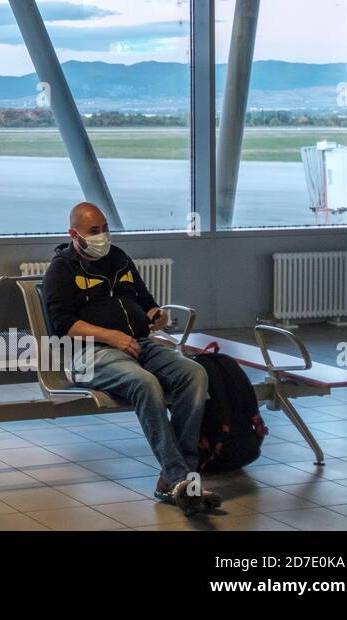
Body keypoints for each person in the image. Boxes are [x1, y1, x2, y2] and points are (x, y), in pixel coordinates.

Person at [43, 201, 220, 515]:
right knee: (145, 383)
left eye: (105, 229)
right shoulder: (62, 268)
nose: (102, 236)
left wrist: (156, 315)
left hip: (139, 343)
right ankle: (183, 479)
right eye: (94, 231)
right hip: (91, 352)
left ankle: (173, 479)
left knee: (194, 374)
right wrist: (112, 336)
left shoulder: (119, 259)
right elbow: (63, 324)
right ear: (74, 234)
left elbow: (145, 301)